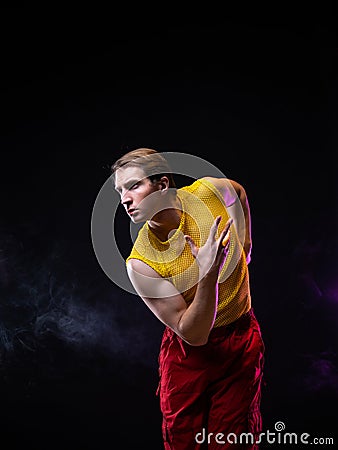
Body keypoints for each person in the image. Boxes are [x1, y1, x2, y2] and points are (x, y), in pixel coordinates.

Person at [112, 148, 265, 450]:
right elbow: (193, 334)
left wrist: (245, 242)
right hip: (189, 358)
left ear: (163, 184)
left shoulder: (209, 191)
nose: (124, 200)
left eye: (133, 186)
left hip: (241, 341)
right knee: (184, 443)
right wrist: (208, 273)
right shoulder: (141, 263)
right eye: (119, 191)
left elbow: (237, 192)